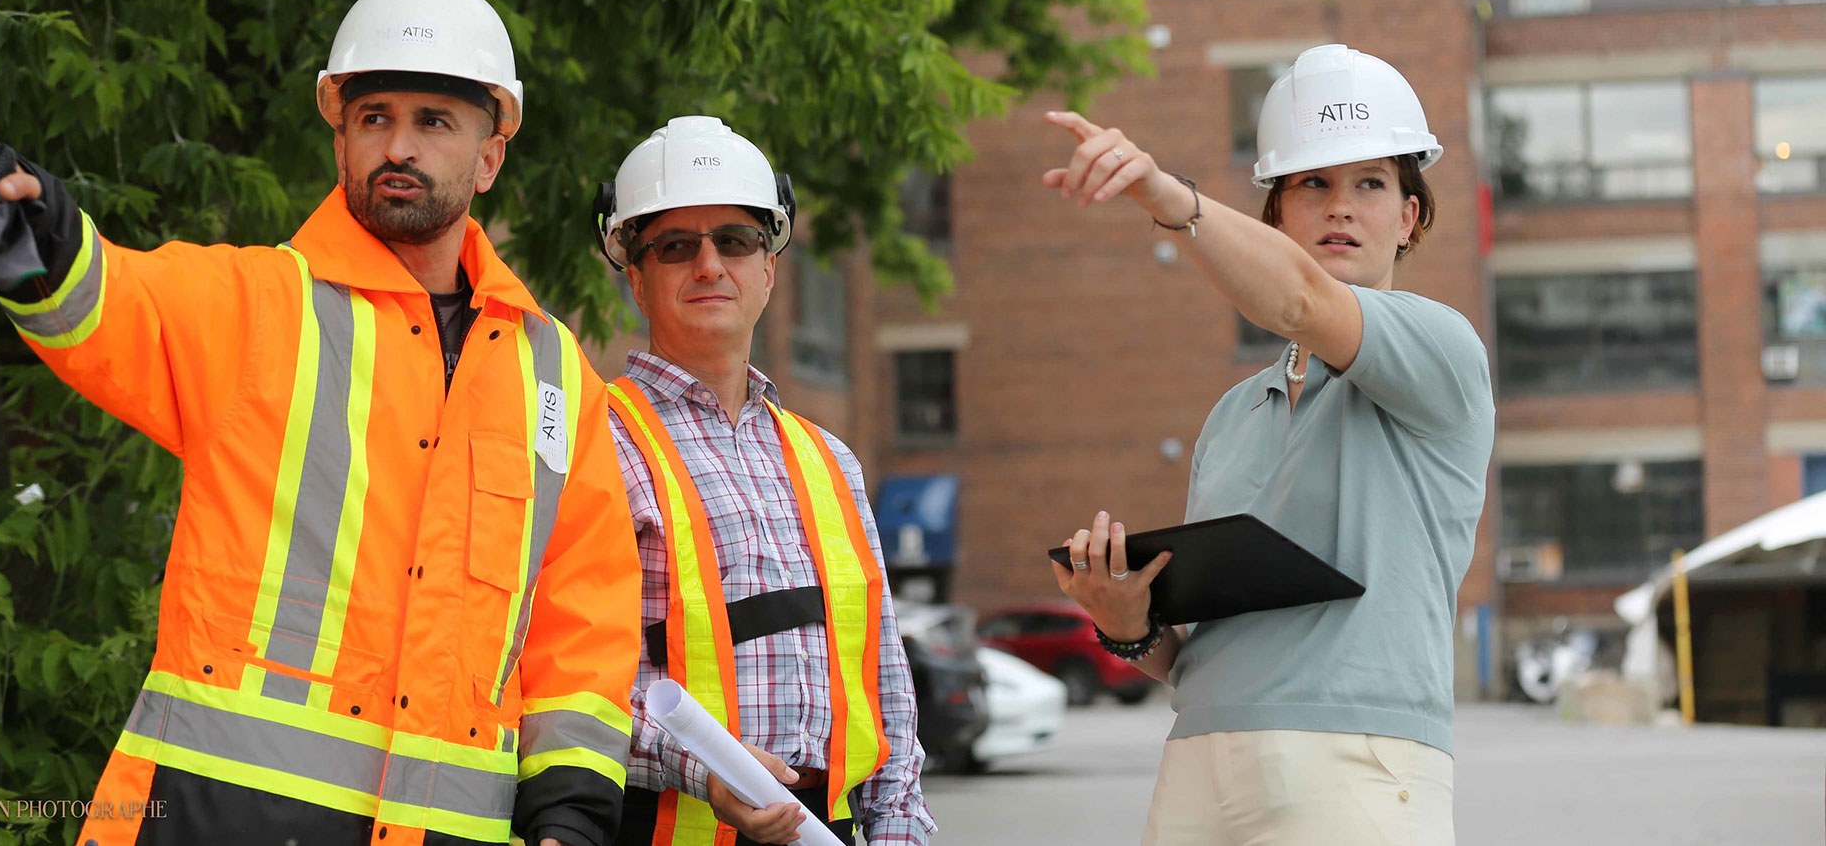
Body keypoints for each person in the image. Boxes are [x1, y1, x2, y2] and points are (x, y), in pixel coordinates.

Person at [0, 0, 641, 846]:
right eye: (374, 117)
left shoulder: (556, 379)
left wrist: (570, 814)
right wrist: (43, 245)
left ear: (490, 156)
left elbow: (584, 617)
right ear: (340, 136)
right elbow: (122, 302)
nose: (398, 147)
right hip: (215, 816)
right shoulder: (263, 303)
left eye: (434, 122)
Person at [1044, 44, 1494, 846]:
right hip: (1199, 758)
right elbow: (1192, 659)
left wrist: (1163, 194)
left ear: (1409, 216)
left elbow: (1299, 300)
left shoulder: (1444, 351)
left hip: (1357, 762)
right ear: (1275, 217)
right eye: (1312, 184)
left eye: (1370, 184)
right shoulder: (1232, 415)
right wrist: (1127, 620)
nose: (1341, 207)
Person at [590, 117, 934, 846]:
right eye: (676, 247)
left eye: (736, 242)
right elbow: (562, 674)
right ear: (635, 276)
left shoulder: (829, 459)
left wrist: (900, 828)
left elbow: (885, 679)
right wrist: (701, 767)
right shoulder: (595, 443)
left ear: (770, 268)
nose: (710, 265)